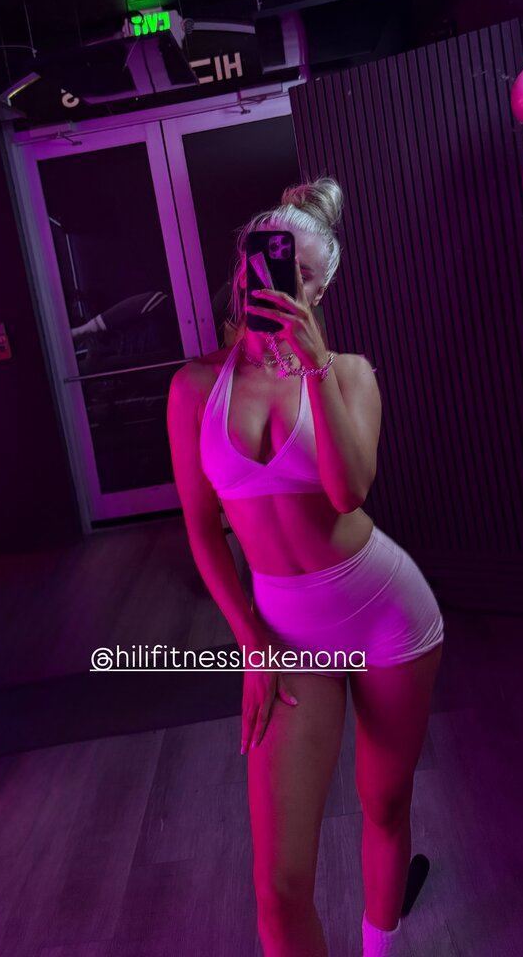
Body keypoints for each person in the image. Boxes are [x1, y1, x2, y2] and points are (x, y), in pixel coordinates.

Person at [167, 176, 444, 957]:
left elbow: (350, 490)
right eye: (264, 264)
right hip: (288, 638)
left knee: (383, 804)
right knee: (279, 889)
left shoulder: (350, 374)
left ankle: (381, 946)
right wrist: (252, 644)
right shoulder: (194, 388)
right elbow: (201, 531)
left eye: (300, 274)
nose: (278, 283)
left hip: (388, 615)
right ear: (242, 270)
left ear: (320, 287)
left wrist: (315, 367)